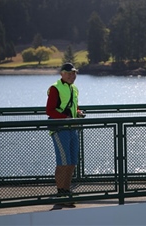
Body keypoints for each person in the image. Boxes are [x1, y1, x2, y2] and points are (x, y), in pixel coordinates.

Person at [46, 62, 85, 206]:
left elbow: (73, 106)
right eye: (69, 73)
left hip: (72, 128)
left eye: (74, 73)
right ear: (62, 74)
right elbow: (49, 110)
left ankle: (66, 191)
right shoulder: (55, 88)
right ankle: (60, 193)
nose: (72, 76)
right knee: (63, 162)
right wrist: (65, 118)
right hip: (59, 128)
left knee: (72, 162)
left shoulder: (74, 89)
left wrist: (78, 112)